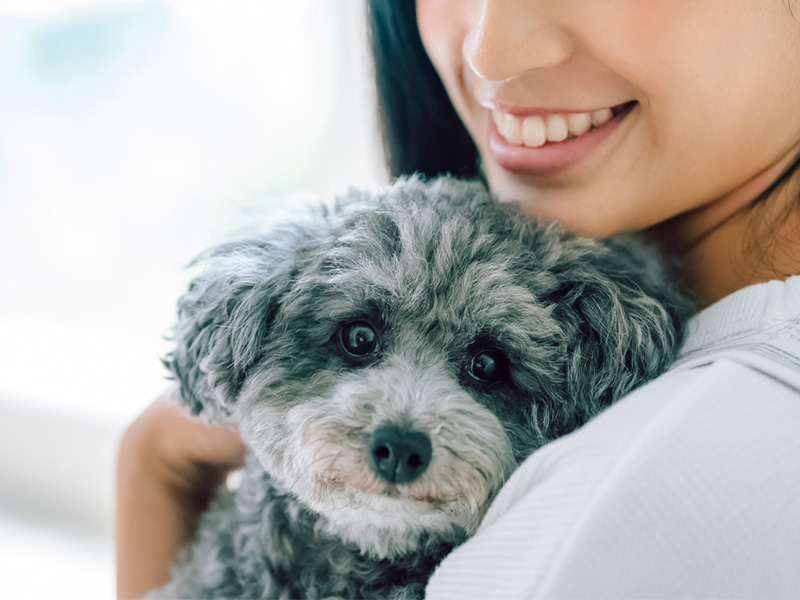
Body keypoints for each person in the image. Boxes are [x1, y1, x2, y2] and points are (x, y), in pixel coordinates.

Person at [116, 1, 800, 597]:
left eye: (484, 367)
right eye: (359, 341)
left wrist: (151, 469)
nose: (489, 52)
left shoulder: (621, 500)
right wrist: (152, 457)